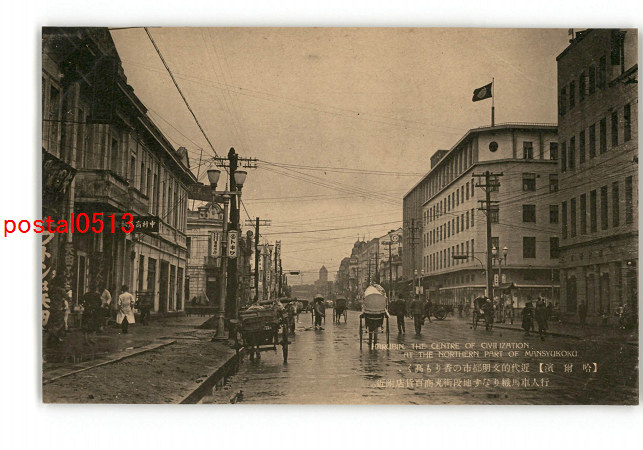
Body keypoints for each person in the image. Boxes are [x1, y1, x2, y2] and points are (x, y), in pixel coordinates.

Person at [46, 274, 68, 345]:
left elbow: (49, 296)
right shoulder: (61, 290)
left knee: (52, 323)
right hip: (59, 308)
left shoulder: (51, 290)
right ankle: (56, 338)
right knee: (59, 323)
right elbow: (66, 297)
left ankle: (52, 338)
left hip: (52, 307)